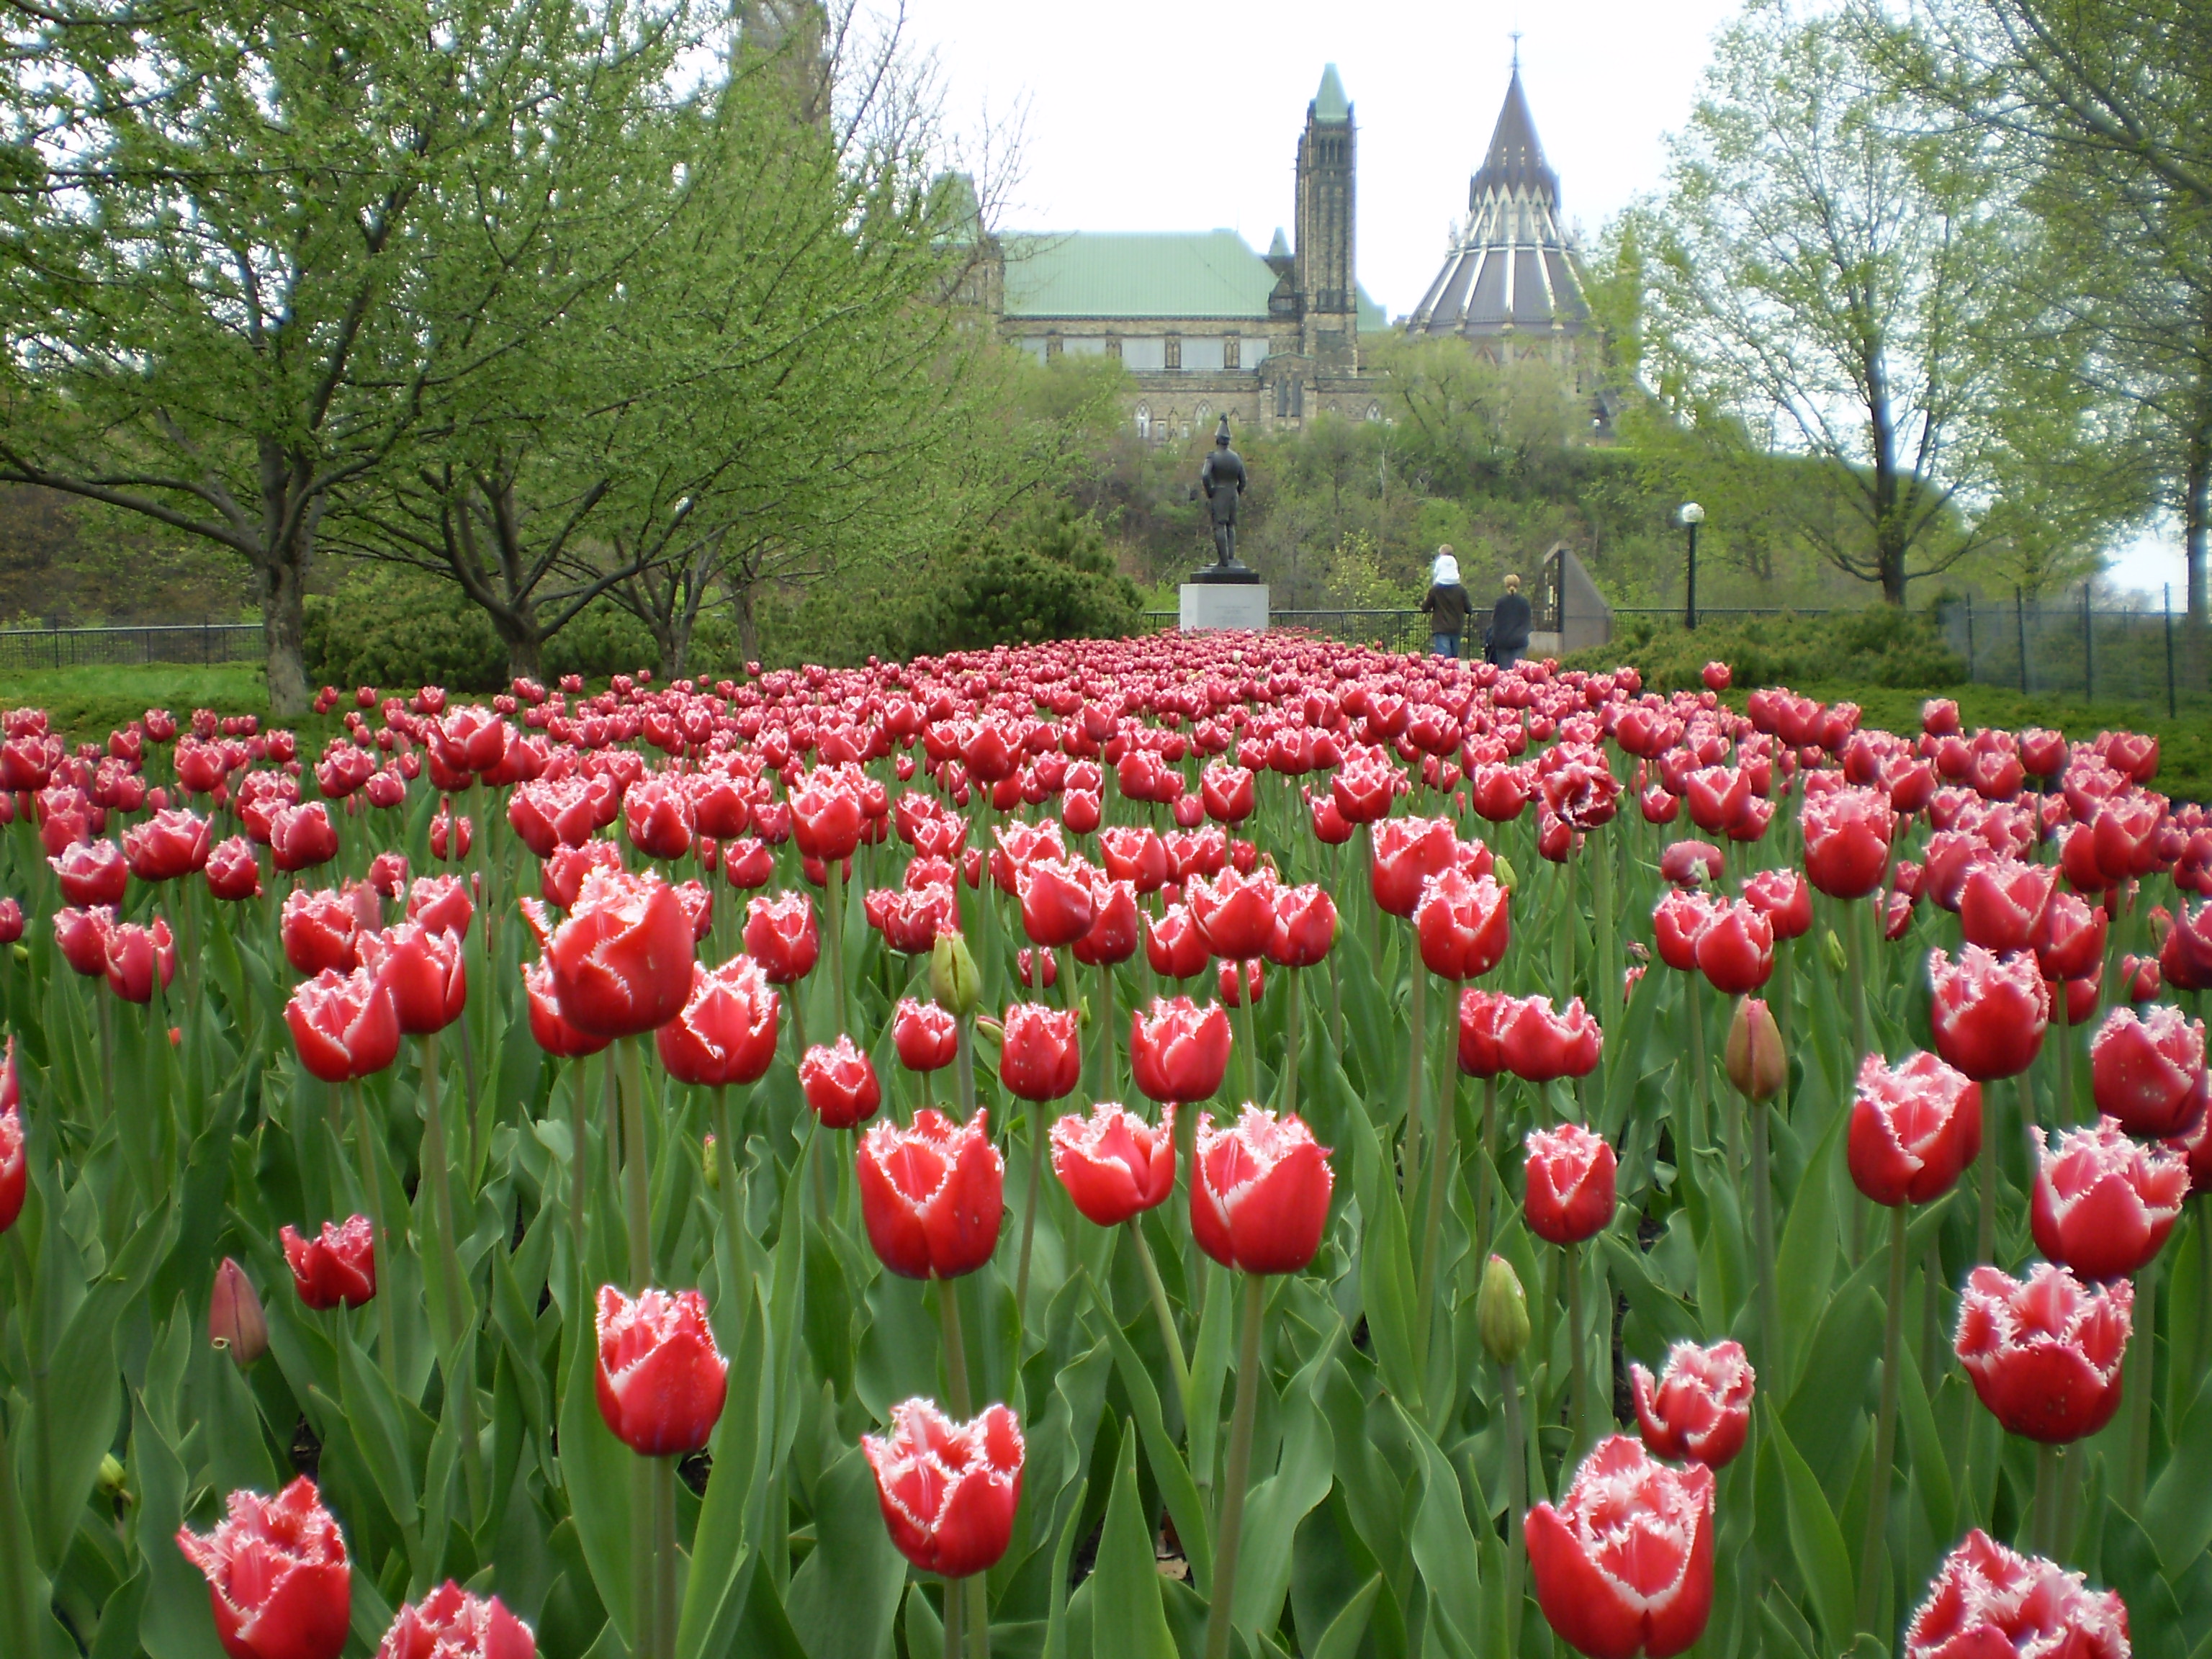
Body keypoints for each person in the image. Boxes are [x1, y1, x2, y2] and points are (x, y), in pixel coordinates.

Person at [1419, 547, 1472, 657]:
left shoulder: (1436, 590)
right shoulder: (1461, 590)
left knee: (1444, 659)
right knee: (1453, 657)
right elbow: (1469, 609)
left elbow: (1425, 608)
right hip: (1456, 627)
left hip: (1441, 627)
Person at [1485, 572, 1532, 668]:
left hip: (1502, 642)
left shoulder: (1500, 602)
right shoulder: (1524, 602)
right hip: (1520, 641)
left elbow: (1496, 623)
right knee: (1518, 671)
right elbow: (1528, 623)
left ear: (1506, 585)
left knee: (1504, 673)